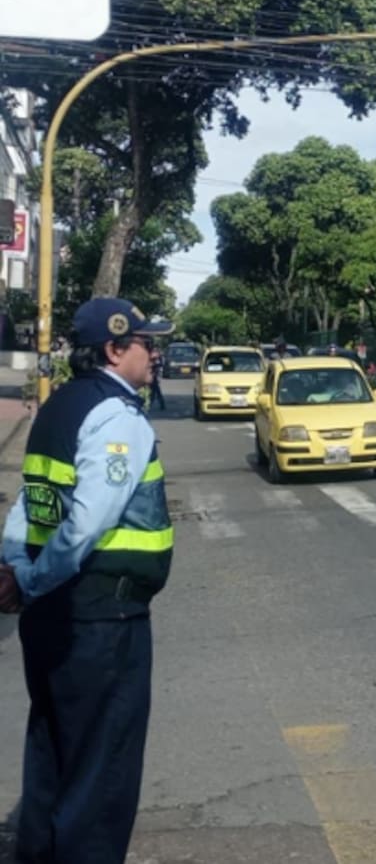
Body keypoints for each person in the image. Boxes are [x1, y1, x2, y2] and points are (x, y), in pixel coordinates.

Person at [0, 297, 175, 863]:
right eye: (147, 344)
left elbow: (31, 500)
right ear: (114, 348)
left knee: (54, 753)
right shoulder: (116, 417)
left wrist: (15, 570)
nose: (155, 354)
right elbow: (84, 525)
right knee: (101, 777)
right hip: (102, 619)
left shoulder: (58, 406)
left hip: (51, 615)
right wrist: (28, 582)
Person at [148, 346, 166, 411]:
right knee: (155, 392)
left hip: (154, 376)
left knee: (154, 392)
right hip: (152, 376)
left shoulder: (158, 358)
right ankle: (161, 404)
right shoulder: (152, 358)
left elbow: (160, 365)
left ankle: (160, 404)